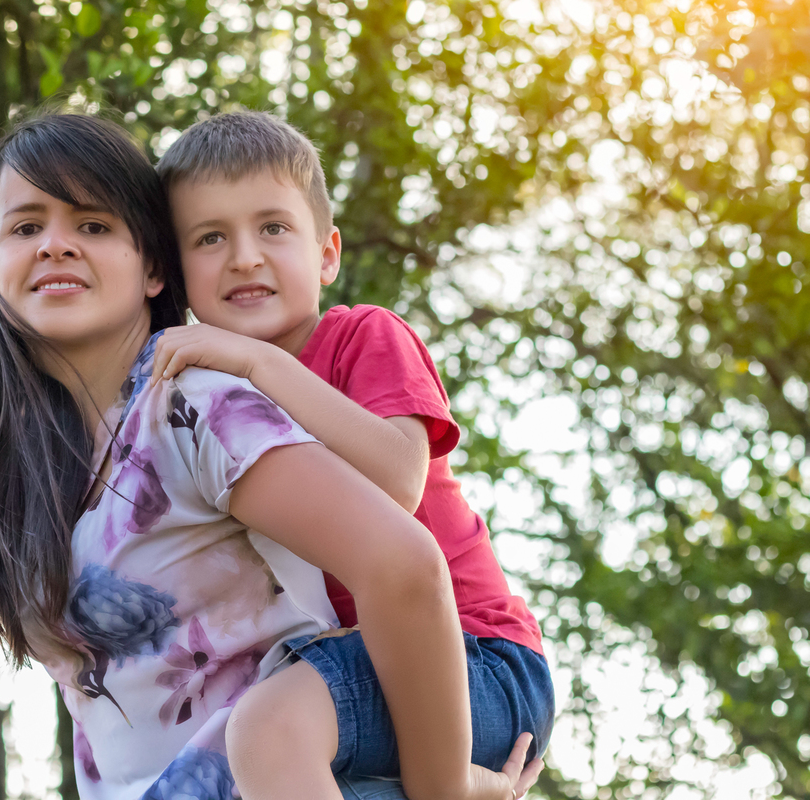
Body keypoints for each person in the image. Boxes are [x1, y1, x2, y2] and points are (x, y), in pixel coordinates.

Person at [0, 112, 538, 800]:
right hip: (343, 691)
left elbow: (401, 523)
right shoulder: (43, 465)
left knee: (271, 727)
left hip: (471, 656)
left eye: (91, 225)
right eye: (26, 227)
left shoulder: (212, 399)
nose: (55, 245)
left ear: (153, 268)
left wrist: (442, 791)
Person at [151, 110, 555, 798]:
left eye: (273, 228)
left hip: (472, 657)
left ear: (327, 253)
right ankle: (473, 786)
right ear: (176, 273)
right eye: (211, 237)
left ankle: (455, 784)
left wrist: (260, 364)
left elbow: (398, 481)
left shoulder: (364, 335)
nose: (245, 255)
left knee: (269, 730)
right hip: (354, 676)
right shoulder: (204, 409)